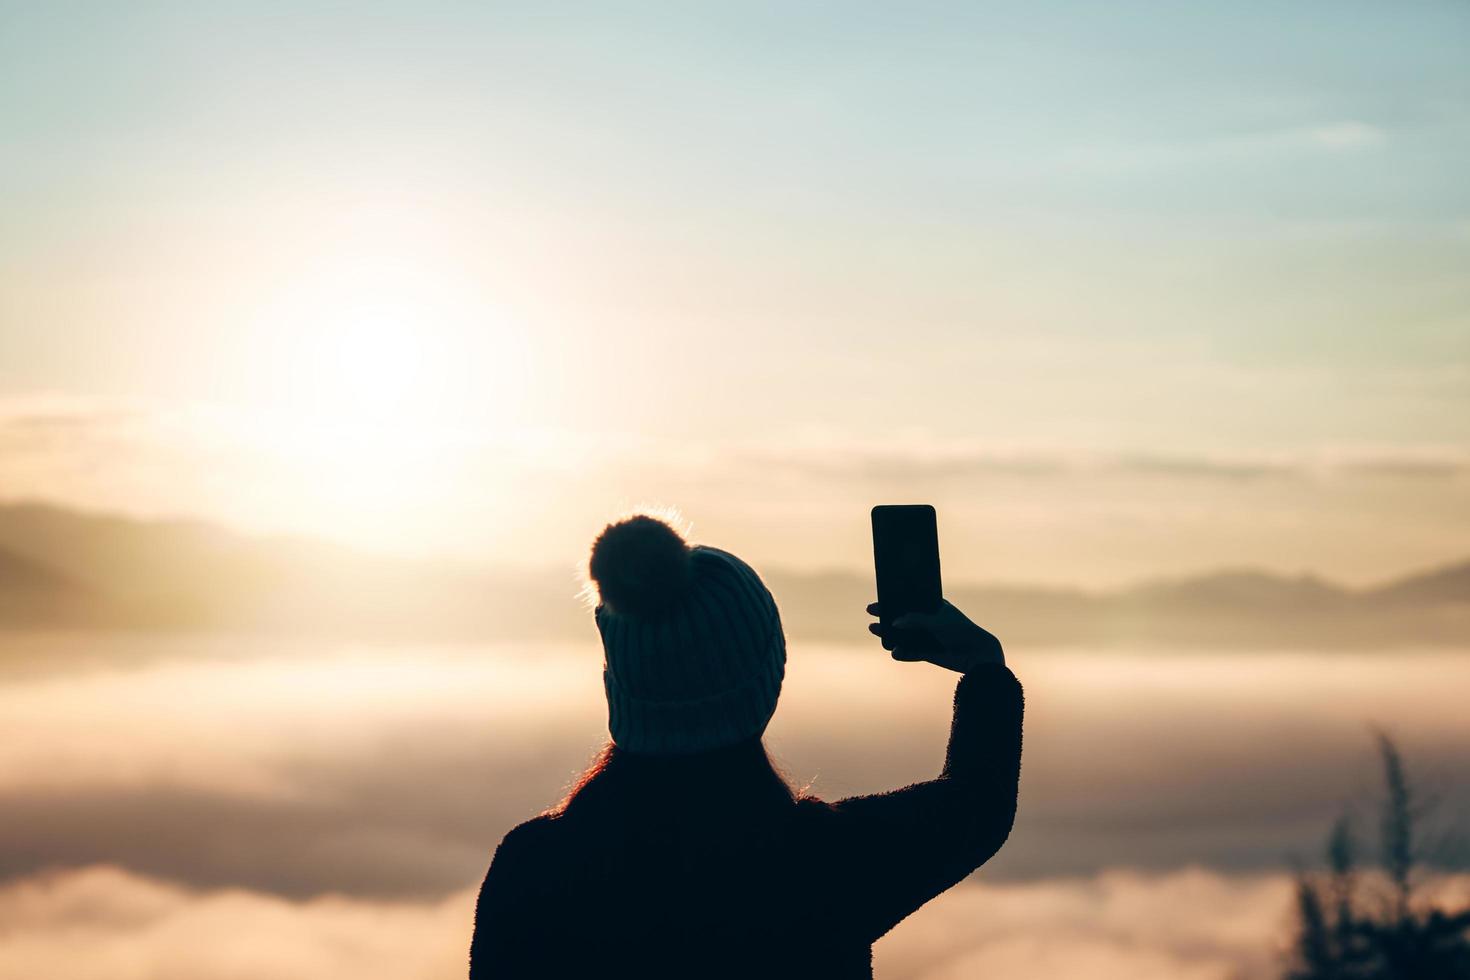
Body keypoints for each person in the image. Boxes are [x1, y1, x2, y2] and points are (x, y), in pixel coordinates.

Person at [468, 514, 1023, 979]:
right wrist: (982, 665)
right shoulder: (822, 867)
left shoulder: (532, 868)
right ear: (767, 680)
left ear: (620, 685)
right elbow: (979, 803)